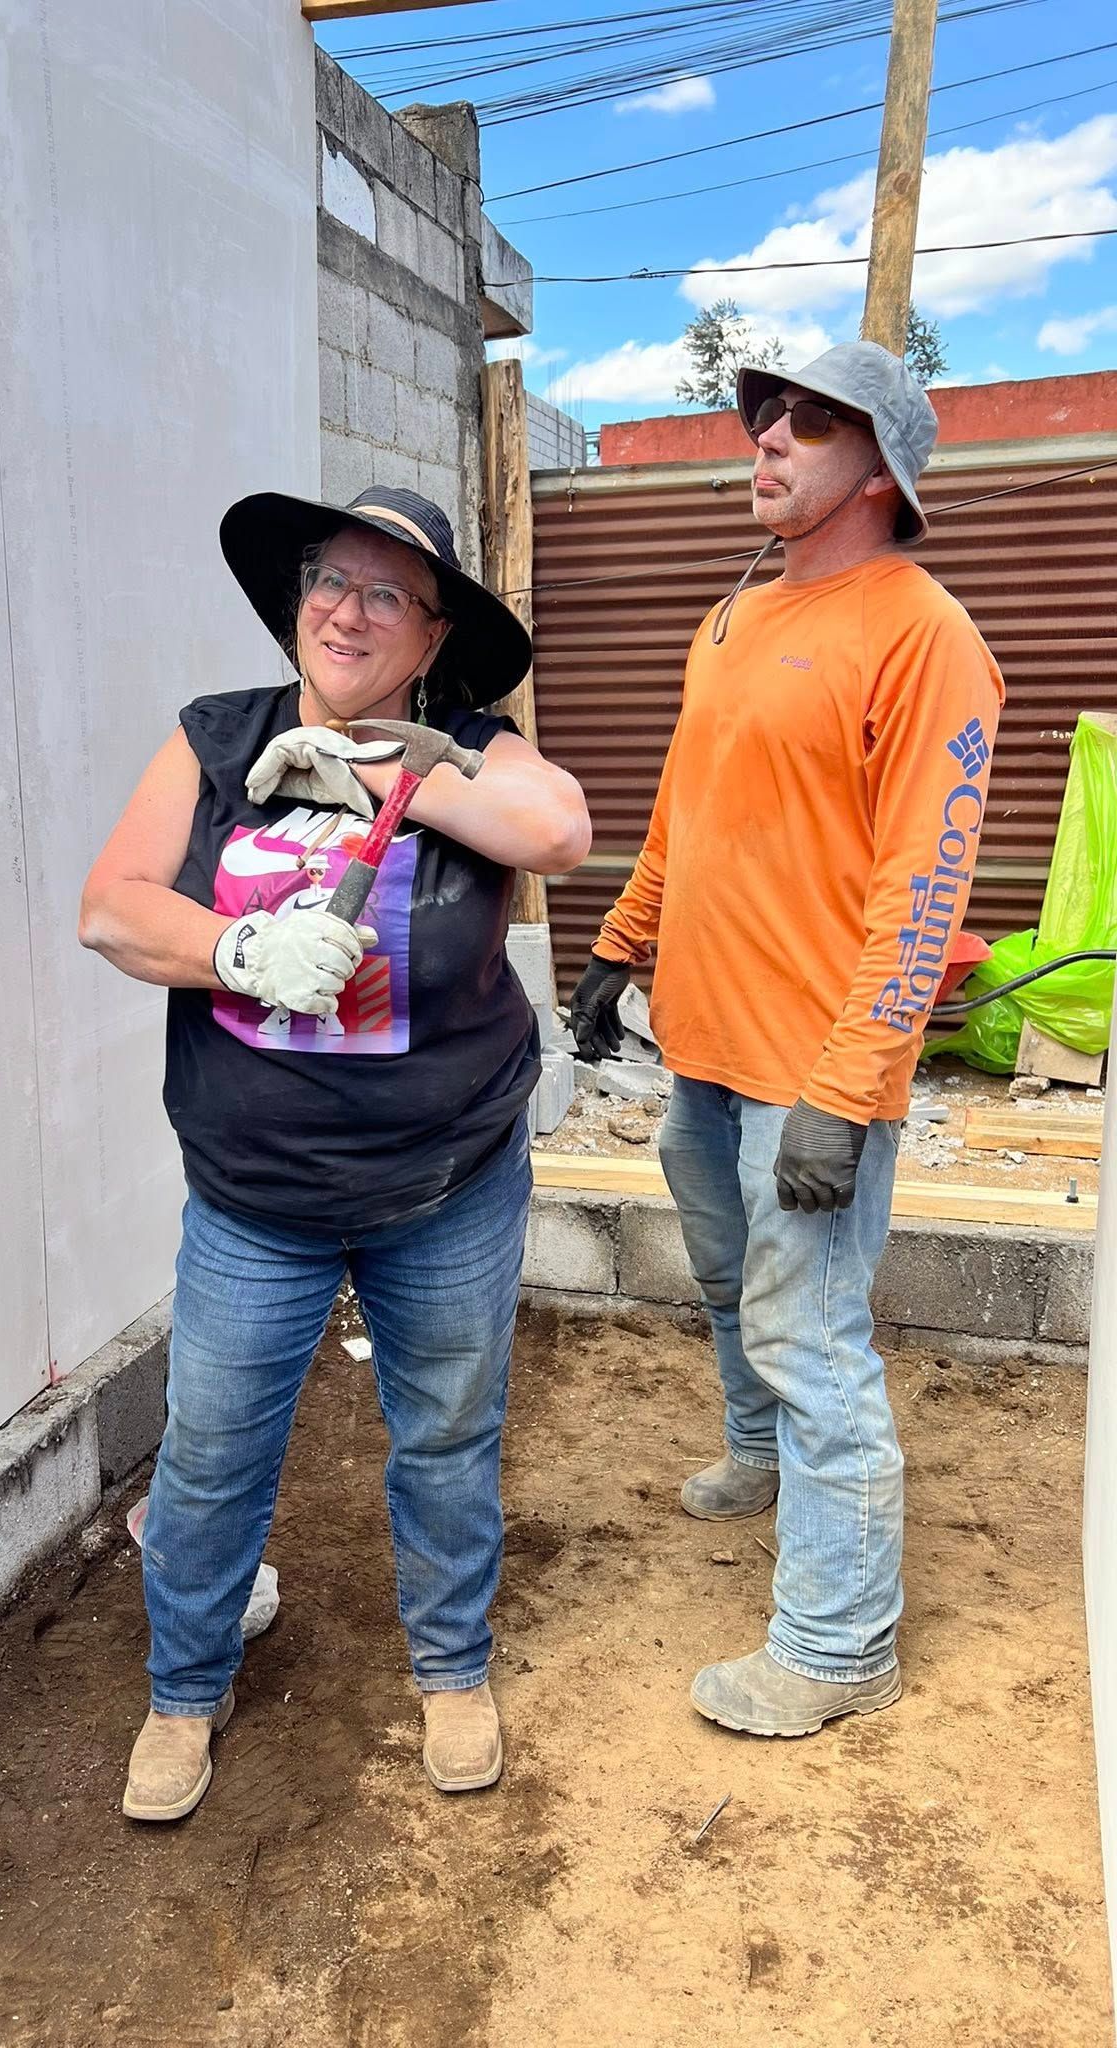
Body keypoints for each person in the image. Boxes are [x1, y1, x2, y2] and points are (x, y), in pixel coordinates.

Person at [80, 485, 592, 1818]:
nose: (347, 611)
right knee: (211, 1451)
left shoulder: (471, 749)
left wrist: (378, 767)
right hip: (258, 1198)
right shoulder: (216, 738)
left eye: (386, 594)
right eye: (329, 579)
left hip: (447, 1185)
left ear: (433, 635)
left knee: (447, 1433)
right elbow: (112, 909)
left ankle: (453, 1670)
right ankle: (185, 1690)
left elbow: (557, 830)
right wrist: (238, 945)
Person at [569, 342, 1004, 1738]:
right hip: (702, 1044)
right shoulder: (735, 617)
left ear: (880, 470)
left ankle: (837, 1644)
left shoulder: (926, 637)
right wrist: (624, 940)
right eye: (764, 417)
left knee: (813, 1341)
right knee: (728, 1281)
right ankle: (756, 1456)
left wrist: (851, 1090)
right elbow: (686, 801)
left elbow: (924, 890)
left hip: (813, 1071)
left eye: (809, 424)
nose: (764, 440)